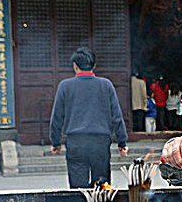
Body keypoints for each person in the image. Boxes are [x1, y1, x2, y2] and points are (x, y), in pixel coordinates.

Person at [49, 47, 128, 188]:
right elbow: (116, 116)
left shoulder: (65, 86)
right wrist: (122, 142)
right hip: (100, 143)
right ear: (94, 65)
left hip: (76, 142)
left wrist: (56, 142)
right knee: (101, 187)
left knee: (78, 187)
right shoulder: (106, 85)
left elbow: (57, 117)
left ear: (75, 66)